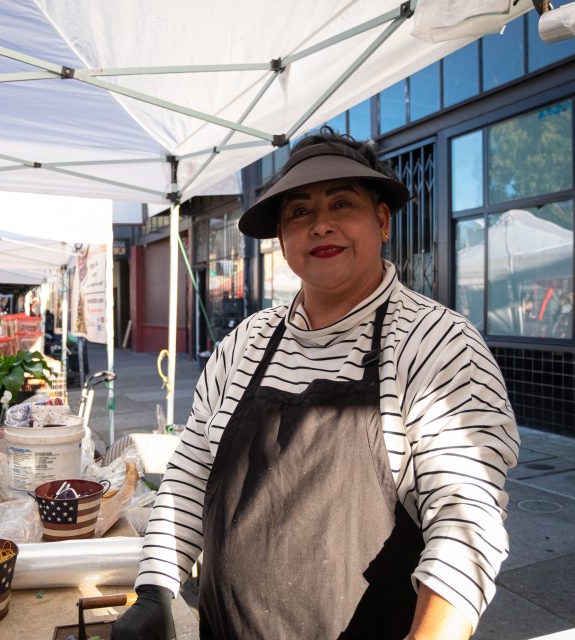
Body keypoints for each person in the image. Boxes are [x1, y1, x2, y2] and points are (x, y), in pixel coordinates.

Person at [112, 128, 519, 640]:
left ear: (382, 220)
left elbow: (467, 524)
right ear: (282, 239)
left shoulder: (438, 343)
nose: (321, 225)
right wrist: (155, 588)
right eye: (300, 212)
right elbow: (191, 472)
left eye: (342, 203)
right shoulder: (246, 343)